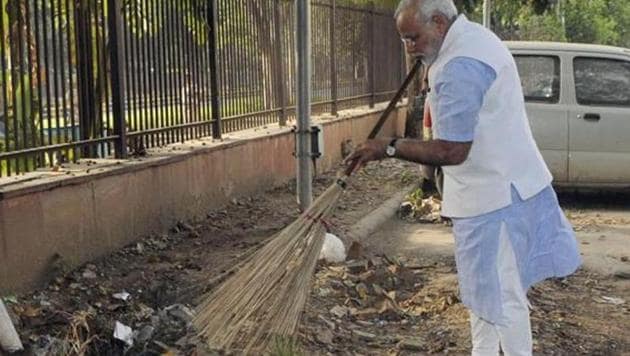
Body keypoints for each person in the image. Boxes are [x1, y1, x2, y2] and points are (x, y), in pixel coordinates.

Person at [344, 0, 582, 355]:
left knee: (503, 298)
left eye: (413, 38)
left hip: (495, 199)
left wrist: (389, 147)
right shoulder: (472, 39)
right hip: (503, 190)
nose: (409, 47)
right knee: (487, 297)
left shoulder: (460, 65)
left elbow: (452, 151)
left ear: (439, 22)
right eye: (405, 40)